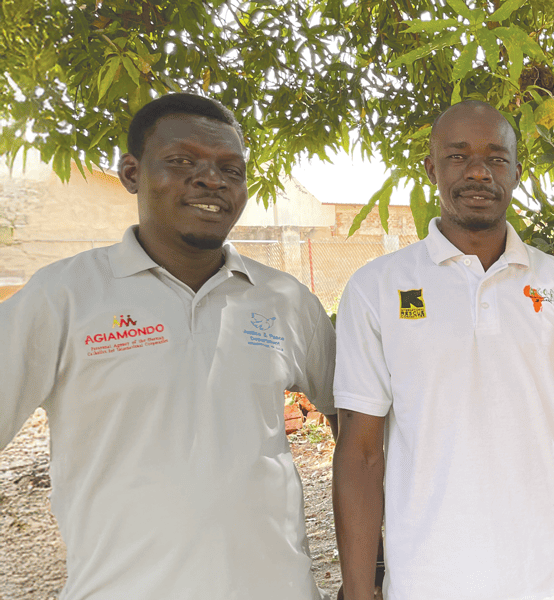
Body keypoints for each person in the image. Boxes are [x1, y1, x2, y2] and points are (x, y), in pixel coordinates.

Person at [0, 93, 336, 598]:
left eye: (230, 168)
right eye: (182, 161)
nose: (210, 179)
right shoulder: (63, 296)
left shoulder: (285, 299)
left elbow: (355, 424)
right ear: (132, 173)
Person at [331, 99, 554, 600]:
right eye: (458, 156)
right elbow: (360, 454)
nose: (478, 172)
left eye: (496, 157)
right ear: (431, 168)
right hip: (429, 580)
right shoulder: (377, 287)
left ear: (517, 170)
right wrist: (359, 588)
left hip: (553, 578)